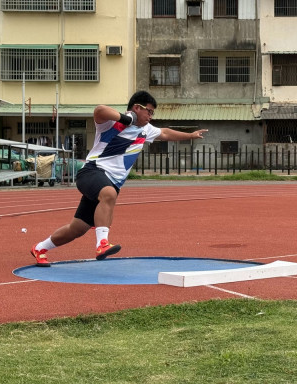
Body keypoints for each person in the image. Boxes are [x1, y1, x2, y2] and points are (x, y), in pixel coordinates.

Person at [30, 90, 207, 266]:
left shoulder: (146, 130)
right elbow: (99, 110)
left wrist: (190, 135)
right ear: (137, 108)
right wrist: (126, 119)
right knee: (109, 194)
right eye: (149, 111)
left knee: (77, 229)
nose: (151, 116)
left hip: (108, 184)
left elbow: (166, 133)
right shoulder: (112, 124)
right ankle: (102, 244)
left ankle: (39, 248)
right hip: (92, 172)